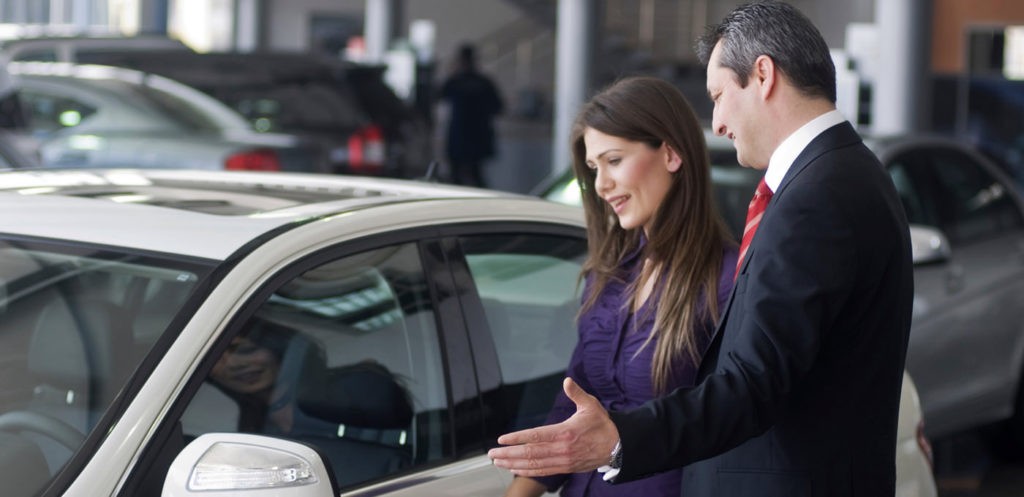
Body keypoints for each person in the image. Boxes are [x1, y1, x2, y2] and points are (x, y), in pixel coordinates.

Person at [488, 2, 914, 496]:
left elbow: (752, 385)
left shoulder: (818, 195)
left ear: (763, 75)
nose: (718, 122)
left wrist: (620, 440)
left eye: (717, 96)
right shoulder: (838, 177)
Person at [504, 76, 737, 497]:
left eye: (614, 160)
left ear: (671, 153)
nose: (601, 185)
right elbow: (572, 402)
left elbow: (731, 420)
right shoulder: (609, 274)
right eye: (594, 168)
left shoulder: (726, 280)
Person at [439, 43, 504, 187]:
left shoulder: (456, 81)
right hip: (475, 136)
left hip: (461, 136)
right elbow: (498, 107)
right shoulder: (483, 82)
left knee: (458, 177)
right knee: (474, 176)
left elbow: (439, 95)